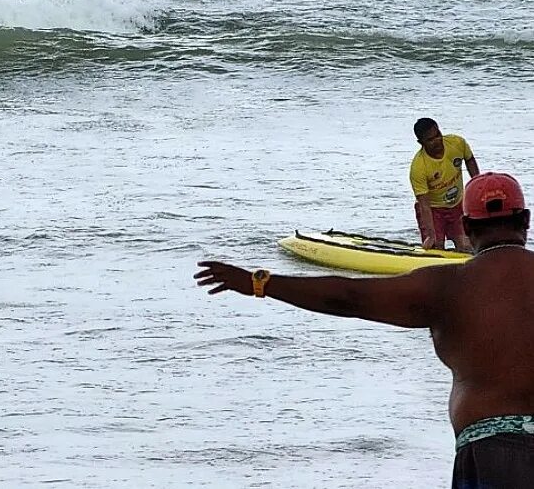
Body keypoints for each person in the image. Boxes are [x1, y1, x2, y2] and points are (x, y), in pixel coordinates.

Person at [195, 172, 534, 488]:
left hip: (493, 453)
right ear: (526, 220)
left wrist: (261, 283)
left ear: (466, 226)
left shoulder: (447, 287)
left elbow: (348, 298)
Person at [410, 117, 479, 250]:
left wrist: (477, 184)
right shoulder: (419, 167)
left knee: (467, 246)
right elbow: (424, 205)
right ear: (421, 142)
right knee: (436, 246)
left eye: (438, 135)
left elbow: (469, 159)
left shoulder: (457, 143)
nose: (437, 141)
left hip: (458, 205)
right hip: (433, 209)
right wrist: (430, 235)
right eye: (430, 140)